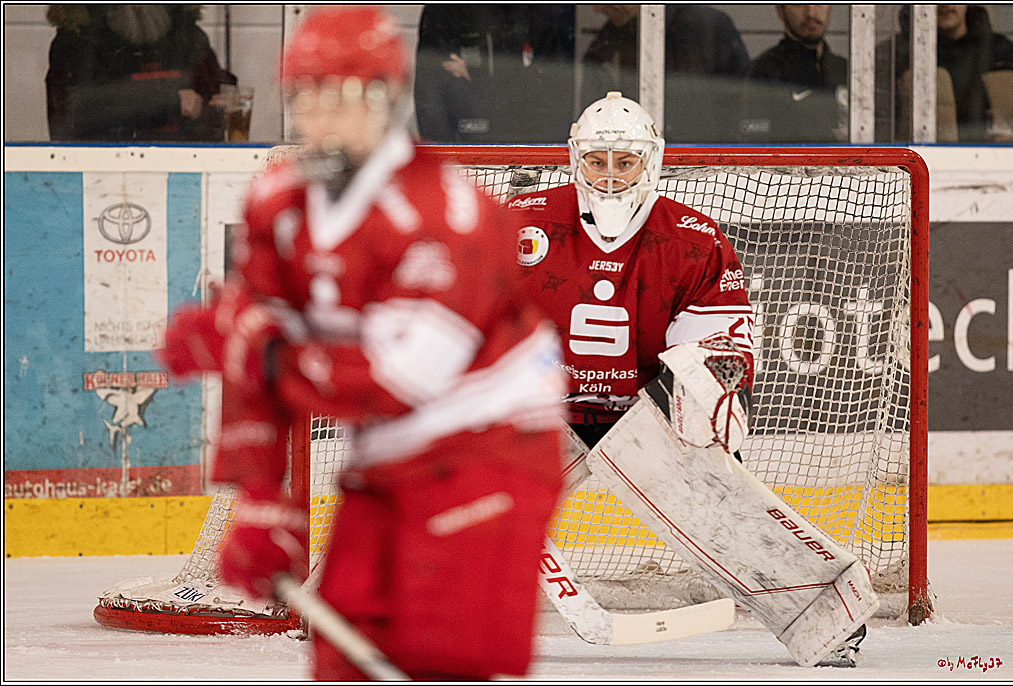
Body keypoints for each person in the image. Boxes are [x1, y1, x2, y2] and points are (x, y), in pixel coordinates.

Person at [156, 7, 567, 681]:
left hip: (491, 450)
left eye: (347, 95)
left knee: (440, 657)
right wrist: (262, 502)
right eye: (308, 96)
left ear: (390, 99)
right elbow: (254, 356)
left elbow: (397, 381)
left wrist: (259, 350)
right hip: (386, 455)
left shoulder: (452, 215)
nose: (325, 116)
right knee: (342, 653)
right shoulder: (277, 201)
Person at [506, 92, 876, 666]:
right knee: (447, 487)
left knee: (715, 500)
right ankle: (411, 609)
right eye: (597, 161)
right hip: (541, 409)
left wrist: (710, 396)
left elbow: (724, 343)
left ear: (651, 161)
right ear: (575, 159)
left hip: (639, 413)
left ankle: (826, 616)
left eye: (624, 161)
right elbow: (468, 314)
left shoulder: (692, 239)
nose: (609, 176)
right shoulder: (522, 222)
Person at [45, 4, 236, 142]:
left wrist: (220, 105)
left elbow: (212, 101)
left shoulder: (186, 34)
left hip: (181, 171)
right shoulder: (77, 41)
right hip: (103, 174)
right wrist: (169, 102)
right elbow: (74, 114)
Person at [580, 5, 749, 142]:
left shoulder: (711, 27)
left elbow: (742, 101)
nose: (597, 9)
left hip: (703, 157)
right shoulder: (608, 41)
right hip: (631, 157)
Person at [414, 5, 575, 143]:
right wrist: (442, 156)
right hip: (462, 143)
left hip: (525, 140)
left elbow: (553, 84)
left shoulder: (536, 10)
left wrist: (475, 79)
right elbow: (431, 92)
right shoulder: (443, 10)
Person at [875, 4, 1013, 142]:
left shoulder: (1005, 55)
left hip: (996, 157)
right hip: (920, 158)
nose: (945, 4)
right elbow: (877, 133)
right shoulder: (891, 57)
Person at [745, 5, 848, 142]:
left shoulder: (849, 72)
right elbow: (751, 136)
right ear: (780, 10)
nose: (811, 12)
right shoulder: (760, 74)